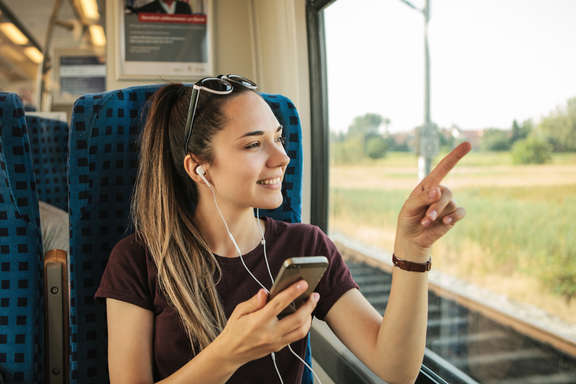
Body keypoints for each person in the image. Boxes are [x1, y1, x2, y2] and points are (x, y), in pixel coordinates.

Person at [95, 74, 470, 383]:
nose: (282, 157)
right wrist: (229, 353)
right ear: (198, 168)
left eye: (278, 138)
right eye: (254, 144)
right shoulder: (137, 260)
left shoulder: (307, 245)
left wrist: (413, 250)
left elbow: (396, 367)